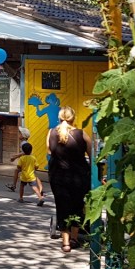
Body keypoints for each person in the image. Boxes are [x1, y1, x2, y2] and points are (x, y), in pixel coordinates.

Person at [46, 107, 91, 252]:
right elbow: (92, 155)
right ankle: (74, 238)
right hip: (79, 177)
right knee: (77, 206)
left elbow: (49, 150)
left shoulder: (51, 133)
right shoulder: (82, 134)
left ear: (59, 118)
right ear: (74, 118)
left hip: (58, 176)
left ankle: (65, 243)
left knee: (62, 206)